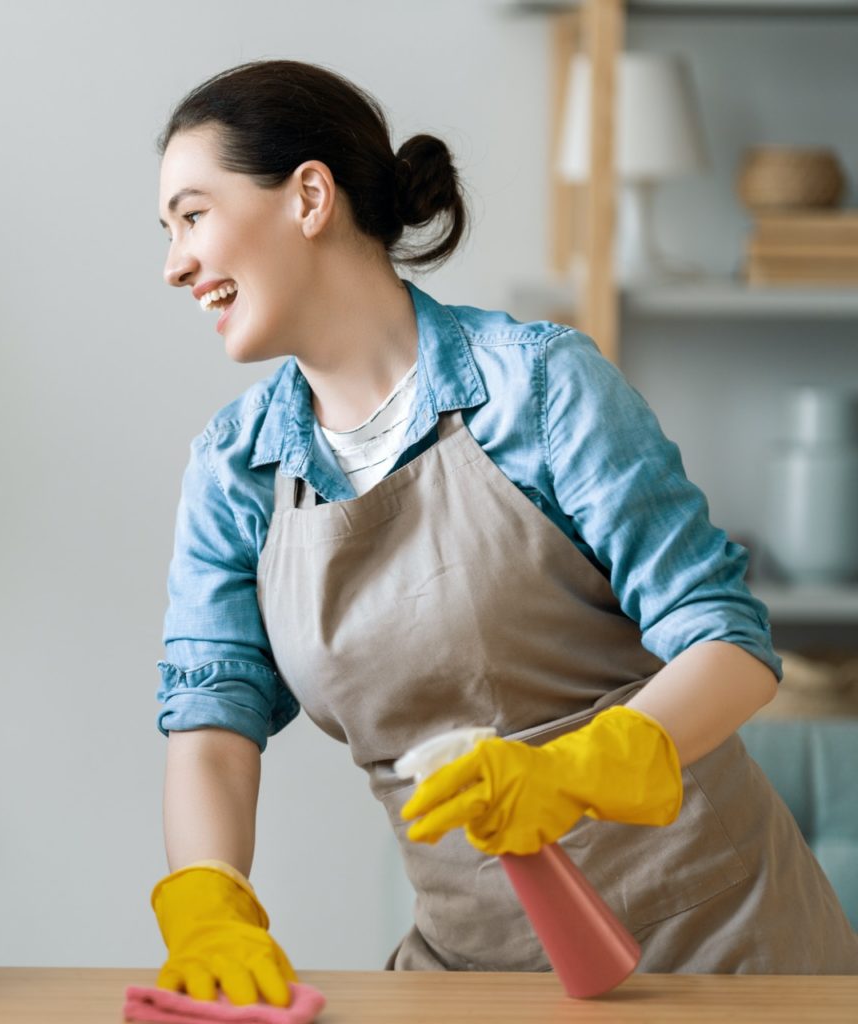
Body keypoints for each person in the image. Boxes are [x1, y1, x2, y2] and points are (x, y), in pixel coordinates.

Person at [148, 60, 858, 1007]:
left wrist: (580, 769)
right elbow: (211, 723)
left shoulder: (542, 388)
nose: (175, 263)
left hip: (720, 948)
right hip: (476, 970)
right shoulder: (235, 471)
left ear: (309, 196)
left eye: (192, 215)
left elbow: (729, 644)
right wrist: (211, 900)